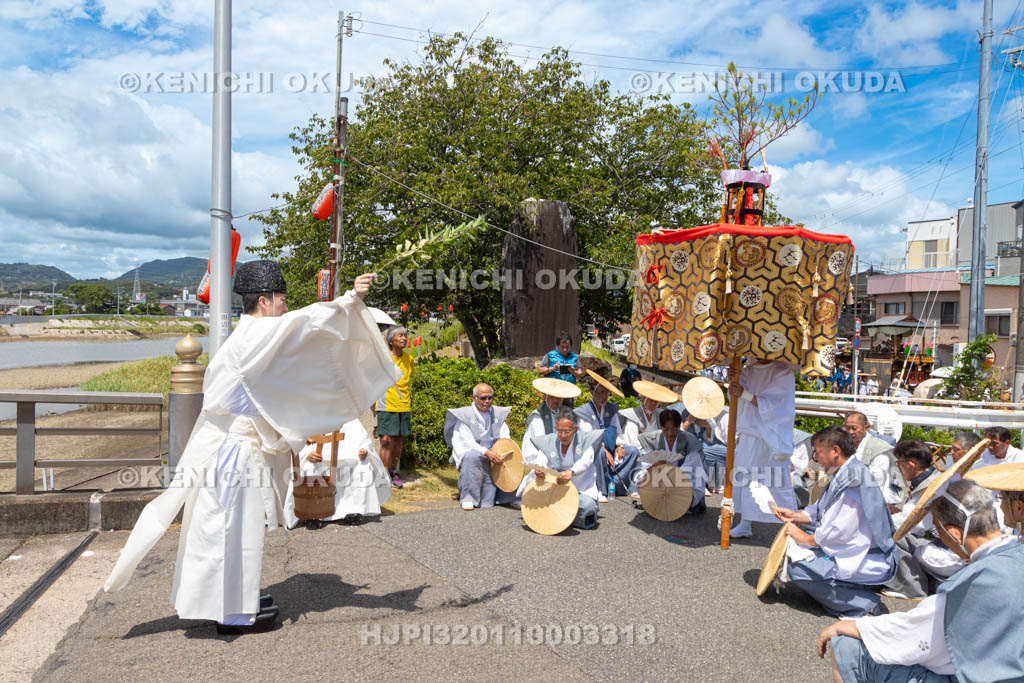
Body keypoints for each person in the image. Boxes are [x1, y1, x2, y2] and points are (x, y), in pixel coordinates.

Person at [104, 264, 400, 634]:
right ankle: (231, 613)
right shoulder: (257, 334)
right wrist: (350, 299)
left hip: (230, 445)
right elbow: (307, 324)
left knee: (225, 528)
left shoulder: (249, 335)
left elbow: (300, 332)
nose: (285, 308)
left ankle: (233, 600)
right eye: (282, 300)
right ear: (264, 300)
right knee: (229, 528)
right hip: (233, 450)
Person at [817, 479, 1024, 682]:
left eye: (936, 530)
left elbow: (914, 634)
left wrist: (850, 626)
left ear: (954, 533)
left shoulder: (969, 584)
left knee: (846, 646)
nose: (939, 536)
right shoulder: (1017, 551)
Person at [774, 426, 898, 619]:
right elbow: (821, 509)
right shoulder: (847, 471)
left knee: (798, 568)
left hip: (866, 556)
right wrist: (795, 516)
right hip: (853, 547)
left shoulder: (853, 481)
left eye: (818, 452)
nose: (815, 459)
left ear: (835, 451)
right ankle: (847, 587)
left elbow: (838, 531)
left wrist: (805, 539)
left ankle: (864, 604)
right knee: (798, 542)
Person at [727, 359, 799, 538]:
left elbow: (775, 405)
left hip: (770, 435)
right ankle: (745, 523)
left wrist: (744, 393)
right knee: (744, 479)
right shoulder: (748, 369)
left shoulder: (783, 371)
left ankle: (794, 525)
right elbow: (737, 396)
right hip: (749, 433)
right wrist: (734, 380)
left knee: (776, 481)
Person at [283, 419, 391, 530]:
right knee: (311, 467)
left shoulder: (349, 417)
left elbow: (362, 441)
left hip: (347, 459)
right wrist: (308, 454)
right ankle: (313, 514)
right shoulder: (311, 415)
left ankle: (352, 511)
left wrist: (364, 452)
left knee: (361, 467)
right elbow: (299, 444)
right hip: (321, 459)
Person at [884, 440, 959, 599]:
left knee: (887, 533)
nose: (898, 467)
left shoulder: (932, 489)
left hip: (949, 555)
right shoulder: (936, 479)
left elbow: (909, 525)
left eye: (899, 463)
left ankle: (911, 588)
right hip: (957, 551)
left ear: (911, 464)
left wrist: (879, 517)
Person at [526, 408, 603, 529]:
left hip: (580, 490)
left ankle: (558, 516)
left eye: (567, 431)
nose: (563, 435)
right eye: (559, 431)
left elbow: (586, 462)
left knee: (587, 506)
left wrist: (571, 472)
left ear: (575, 429)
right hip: (554, 489)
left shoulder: (585, 441)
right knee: (531, 499)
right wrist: (539, 469)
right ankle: (562, 516)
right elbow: (542, 458)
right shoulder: (550, 440)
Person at [443, 383, 512, 510]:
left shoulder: (497, 413)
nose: (487, 401)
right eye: (483, 398)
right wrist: (486, 452)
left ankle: (503, 497)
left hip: (493, 449)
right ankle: (468, 498)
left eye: (490, 398)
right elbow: (467, 442)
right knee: (473, 456)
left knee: (509, 455)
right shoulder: (464, 416)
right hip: (474, 451)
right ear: (474, 398)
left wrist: (501, 449)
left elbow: (504, 435)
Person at [575, 373, 640, 503]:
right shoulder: (584, 411)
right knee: (599, 454)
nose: (603, 396)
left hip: (610, 446)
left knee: (633, 452)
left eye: (605, 393)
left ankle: (623, 487)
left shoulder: (610, 409)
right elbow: (588, 437)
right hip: (592, 448)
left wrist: (619, 446)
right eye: (599, 392)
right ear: (593, 393)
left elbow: (617, 430)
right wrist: (604, 449)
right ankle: (600, 489)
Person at [637, 409, 707, 513]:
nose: (670, 433)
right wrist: (651, 469)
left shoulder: (689, 440)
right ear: (661, 427)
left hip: (683, 484)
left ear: (679, 427)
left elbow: (691, 471)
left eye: (674, 429)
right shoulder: (652, 439)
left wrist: (666, 468)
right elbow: (645, 466)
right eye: (666, 429)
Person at [376, 325, 413, 488]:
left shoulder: (408, 359)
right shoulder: (384, 358)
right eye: (400, 336)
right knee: (385, 440)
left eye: (405, 336)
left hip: (404, 405)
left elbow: (409, 378)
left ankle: (393, 472)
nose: (404, 339)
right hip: (386, 404)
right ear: (391, 341)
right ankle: (382, 474)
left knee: (398, 440)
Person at [844, 412, 905, 505]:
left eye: (854, 428)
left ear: (867, 428)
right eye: (847, 428)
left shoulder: (879, 450)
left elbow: (875, 483)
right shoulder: (846, 444)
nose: (850, 432)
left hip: (874, 499)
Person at [681, 408, 727, 495]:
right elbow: (679, 433)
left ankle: (715, 483)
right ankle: (702, 484)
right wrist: (688, 421)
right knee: (702, 451)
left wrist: (707, 426)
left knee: (719, 450)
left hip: (701, 442)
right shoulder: (683, 414)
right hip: (686, 443)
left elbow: (709, 439)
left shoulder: (705, 415)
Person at [538, 331, 585, 401]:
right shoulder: (550, 355)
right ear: (558, 346)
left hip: (568, 394)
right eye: (562, 347)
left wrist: (573, 371)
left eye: (567, 347)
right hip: (552, 393)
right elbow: (540, 370)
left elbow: (580, 374)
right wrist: (553, 368)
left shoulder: (574, 357)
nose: (565, 349)